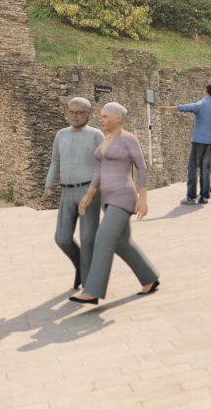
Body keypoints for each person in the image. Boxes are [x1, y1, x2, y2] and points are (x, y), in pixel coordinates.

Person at [70, 102, 158, 304]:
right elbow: (99, 170)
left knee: (103, 238)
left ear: (118, 118)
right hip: (106, 198)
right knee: (122, 243)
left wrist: (143, 198)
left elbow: (141, 167)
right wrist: (89, 195)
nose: (102, 120)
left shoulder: (129, 139)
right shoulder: (107, 140)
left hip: (123, 196)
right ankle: (149, 278)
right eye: (101, 116)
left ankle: (92, 291)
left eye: (105, 116)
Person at [45, 96, 105, 290]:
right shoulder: (61, 134)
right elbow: (55, 160)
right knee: (61, 238)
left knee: (88, 238)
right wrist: (48, 184)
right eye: (71, 112)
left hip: (89, 191)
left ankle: (90, 285)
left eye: (79, 112)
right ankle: (80, 265)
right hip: (67, 192)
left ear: (88, 114)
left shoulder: (96, 135)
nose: (75, 116)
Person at [169, 84, 211, 204]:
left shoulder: (200, 104)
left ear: (205, 91)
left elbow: (184, 107)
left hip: (198, 142)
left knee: (192, 168)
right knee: (205, 169)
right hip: (208, 143)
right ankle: (204, 197)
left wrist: (168, 108)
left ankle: (191, 197)